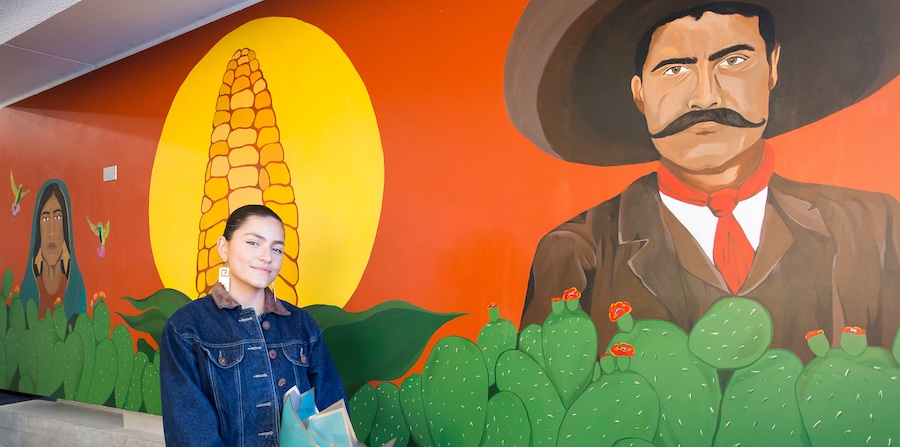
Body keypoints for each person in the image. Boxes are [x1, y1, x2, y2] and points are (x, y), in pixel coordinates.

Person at [507, 1, 900, 361]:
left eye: (733, 61)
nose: (705, 97)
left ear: (773, 68)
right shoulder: (578, 253)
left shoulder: (875, 229)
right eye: (675, 69)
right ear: (639, 92)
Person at [160, 204, 347, 446]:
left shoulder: (301, 325)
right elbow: (190, 434)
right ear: (223, 247)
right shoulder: (186, 329)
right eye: (253, 243)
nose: (267, 257)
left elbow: (332, 414)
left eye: (277, 249)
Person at [19, 179, 86, 322]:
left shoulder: (75, 288)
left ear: (66, 227)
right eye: (44, 219)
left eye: (57, 217)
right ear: (37, 230)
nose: (51, 232)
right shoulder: (27, 290)